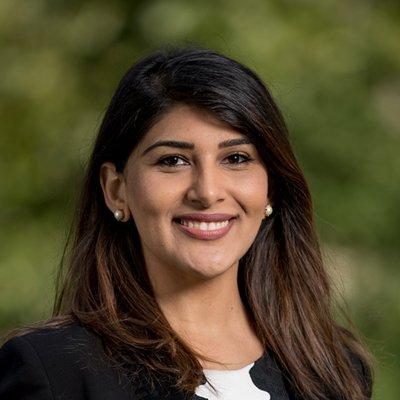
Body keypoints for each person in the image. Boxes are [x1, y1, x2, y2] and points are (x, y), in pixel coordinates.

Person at [0, 45, 373, 400]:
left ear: (270, 188)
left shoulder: (335, 366)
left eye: (237, 158)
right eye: (173, 160)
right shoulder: (54, 372)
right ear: (116, 189)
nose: (207, 192)